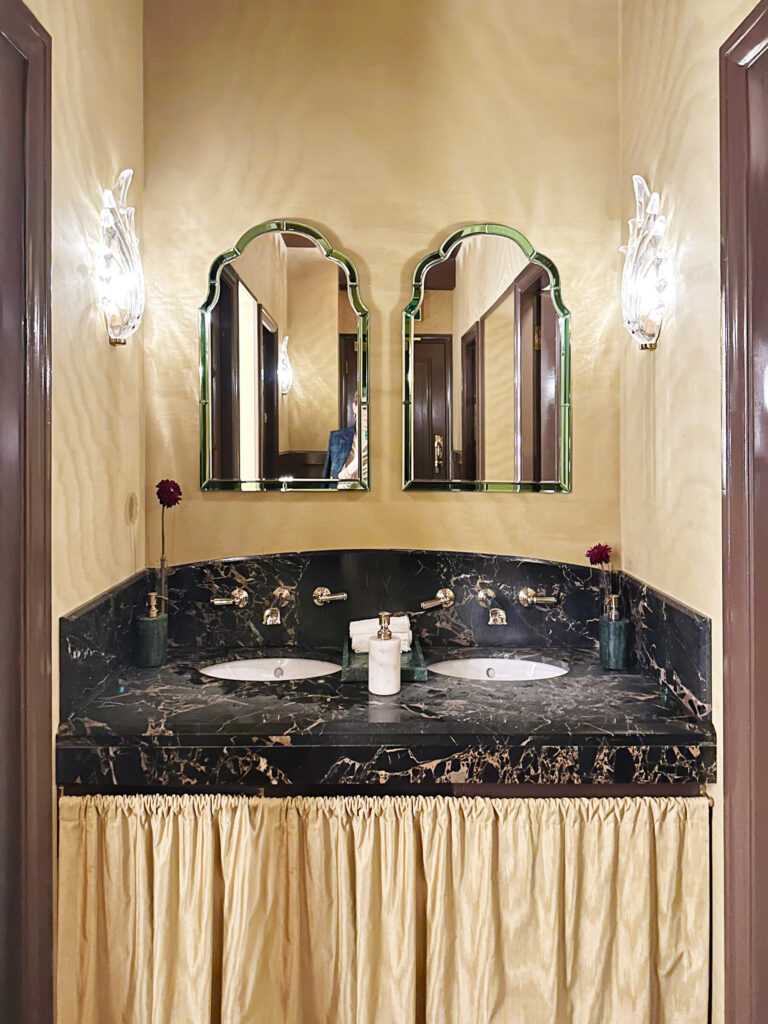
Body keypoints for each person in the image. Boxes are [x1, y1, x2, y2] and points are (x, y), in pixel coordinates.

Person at [323, 393, 359, 481]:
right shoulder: (337, 437)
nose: (367, 414)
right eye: (364, 408)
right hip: (342, 487)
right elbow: (328, 477)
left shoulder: (385, 441)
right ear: (354, 407)